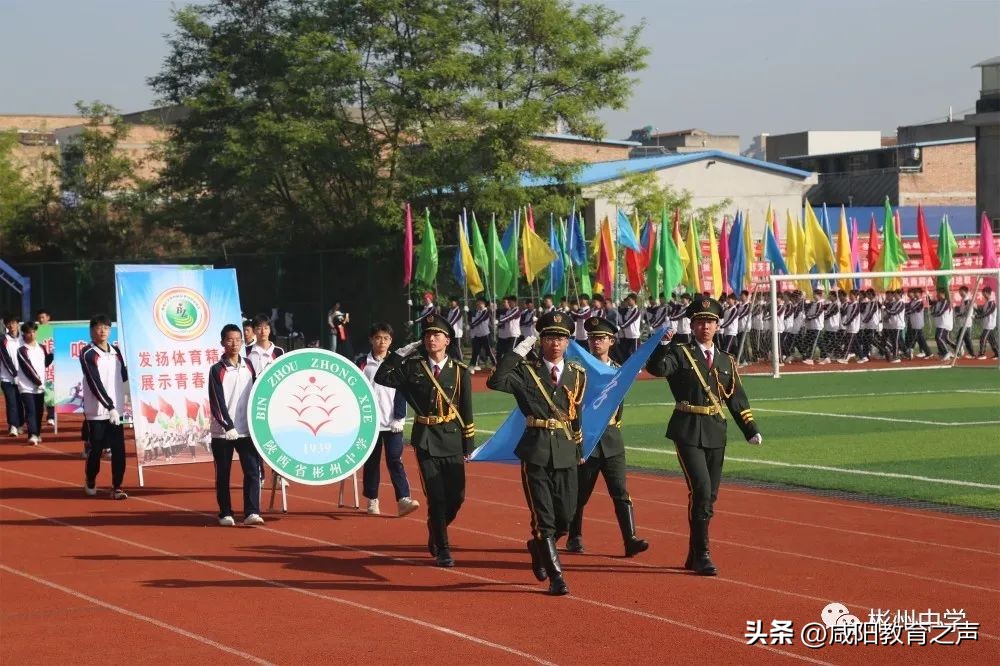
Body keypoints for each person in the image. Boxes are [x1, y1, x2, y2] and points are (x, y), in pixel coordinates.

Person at [645, 298, 761, 576]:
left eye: (709, 322)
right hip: (687, 429)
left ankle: (693, 552)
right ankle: (703, 554)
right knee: (701, 490)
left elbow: (736, 398)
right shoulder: (680, 353)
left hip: (715, 430)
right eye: (699, 322)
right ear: (692, 325)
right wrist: (662, 345)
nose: (705, 326)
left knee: (710, 496)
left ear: (718, 326)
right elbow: (658, 369)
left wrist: (750, 428)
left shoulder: (726, 360)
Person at [487, 311, 586, 596]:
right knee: (544, 519)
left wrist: (578, 448)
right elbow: (496, 381)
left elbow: (575, 414)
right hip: (536, 449)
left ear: (568, 342)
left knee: (566, 517)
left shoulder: (577, 374)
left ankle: (537, 545)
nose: (555, 343)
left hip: (566, 449)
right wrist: (518, 351)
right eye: (550, 337)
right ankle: (557, 578)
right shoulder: (526, 371)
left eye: (561, 338)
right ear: (541, 340)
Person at [374, 313, 474, 567]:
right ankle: (443, 547)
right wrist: (399, 354)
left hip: (452, 438)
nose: (431, 339)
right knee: (436, 497)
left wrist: (468, 443)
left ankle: (435, 526)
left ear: (447, 340)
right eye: (427, 335)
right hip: (426, 439)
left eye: (436, 335)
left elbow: (466, 409)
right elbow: (382, 377)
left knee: (457, 497)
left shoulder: (460, 372)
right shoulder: (413, 367)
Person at [566, 316, 648, 558]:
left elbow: (619, 404)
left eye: (601, 338)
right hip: (586, 438)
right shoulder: (579, 369)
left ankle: (630, 539)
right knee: (580, 493)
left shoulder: (619, 371)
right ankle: (574, 535)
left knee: (620, 491)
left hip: (611, 438)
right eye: (592, 338)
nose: (596, 342)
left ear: (611, 341)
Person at [356, 323, 420, 517]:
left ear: (391, 341)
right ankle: (372, 499)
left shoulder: (398, 362)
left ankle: (403, 499)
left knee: (395, 459)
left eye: (386, 338)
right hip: (370, 423)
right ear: (371, 340)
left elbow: (402, 390)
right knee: (371, 462)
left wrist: (399, 417)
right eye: (378, 338)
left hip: (392, 422)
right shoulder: (362, 362)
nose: (381, 342)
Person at [207, 324, 263, 526]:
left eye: (238, 340)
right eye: (230, 340)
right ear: (222, 342)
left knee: (252, 470)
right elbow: (216, 401)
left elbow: (257, 393)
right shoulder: (217, 370)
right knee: (223, 474)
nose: (234, 344)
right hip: (224, 433)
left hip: (246, 429)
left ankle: (252, 512)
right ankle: (225, 513)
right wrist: (228, 425)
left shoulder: (248, 365)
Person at [81, 314, 129, 500]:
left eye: (106, 328)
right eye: (99, 327)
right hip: (97, 411)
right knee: (97, 449)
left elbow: (124, 377)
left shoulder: (116, 352)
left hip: (117, 411)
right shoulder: (88, 353)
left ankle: (117, 487)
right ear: (92, 331)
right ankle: (91, 478)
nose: (102, 331)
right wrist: (109, 406)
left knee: (119, 450)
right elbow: (94, 382)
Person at [17, 322, 50, 445]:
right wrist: (38, 381)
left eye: (33, 332)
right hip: (27, 387)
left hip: (40, 387)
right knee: (31, 410)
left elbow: (45, 363)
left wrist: (53, 355)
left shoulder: (41, 348)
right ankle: (32, 435)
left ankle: (37, 433)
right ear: (24, 334)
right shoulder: (22, 350)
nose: (32, 334)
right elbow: (27, 368)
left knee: (39, 411)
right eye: (29, 332)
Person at [1, 315, 24, 437]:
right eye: (8, 323)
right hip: (7, 378)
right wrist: (14, 374)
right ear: (5, 326)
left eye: (13, 323)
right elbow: (5, 359)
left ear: (17, 324)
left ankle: (20, 424)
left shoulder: (23, 338)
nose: (11, 326)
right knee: (11, 402)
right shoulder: (3, 340)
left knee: (20, 402)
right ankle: (13, 426)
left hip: (23, 378)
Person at [975, 286, 998, 359]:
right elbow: (982, 311)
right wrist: (976, 308)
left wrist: (978, 316)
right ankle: (997, 353)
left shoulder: (992, 303)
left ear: (987, 293)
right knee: (992, 340)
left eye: (983, 294)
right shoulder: (987, 302)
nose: (983, 295)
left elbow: (987, 313)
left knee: (983, 338)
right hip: (987, 324)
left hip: (990, 324)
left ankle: (982, 354)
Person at [444, 296, 465, 362]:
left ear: (456, 303)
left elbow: (453, 321)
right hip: (450, 332)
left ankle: (462, 362)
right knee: (451, 349)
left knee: (457, 348)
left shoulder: (458, 311)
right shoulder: (450, 311)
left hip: (456, 333)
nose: (451, 303)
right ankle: (453, 362)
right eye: (450, 301)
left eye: (453, 301)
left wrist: (445, 326)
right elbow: (447, 320)